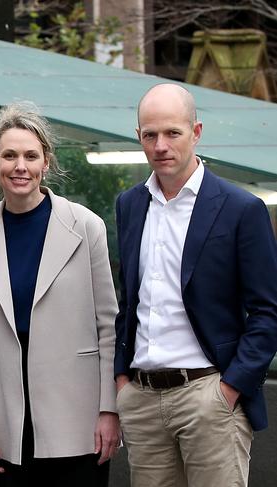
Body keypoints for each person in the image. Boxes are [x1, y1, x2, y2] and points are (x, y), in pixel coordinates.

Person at [114, 83, 277, 487]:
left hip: (209, 395)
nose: (160, 145)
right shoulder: (130, 204)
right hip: (143, 398)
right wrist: (122, 381)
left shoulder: (242, 209)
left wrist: (230, 388)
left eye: (173, 133)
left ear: (197, 132)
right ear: (139, 138)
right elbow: (128, 299)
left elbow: (268, 311)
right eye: (149, 135)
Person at [0, 102, 120, 487]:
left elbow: (109, 326)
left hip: (78, 419)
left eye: (31, 156)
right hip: (1, 424)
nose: (20, 166)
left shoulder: (86, 227)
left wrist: (109, 410)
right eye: (9, 155)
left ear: (46, 161)